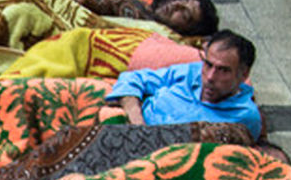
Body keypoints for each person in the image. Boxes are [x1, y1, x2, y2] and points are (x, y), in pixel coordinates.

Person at [107, 29, 262, 140]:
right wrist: (135, 118)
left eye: (223, 70)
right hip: (128, 124)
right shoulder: (191, 73)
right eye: (208, 64)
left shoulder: (244, 116)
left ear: (244, 75)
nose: (210, 77)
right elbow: (133, 78)